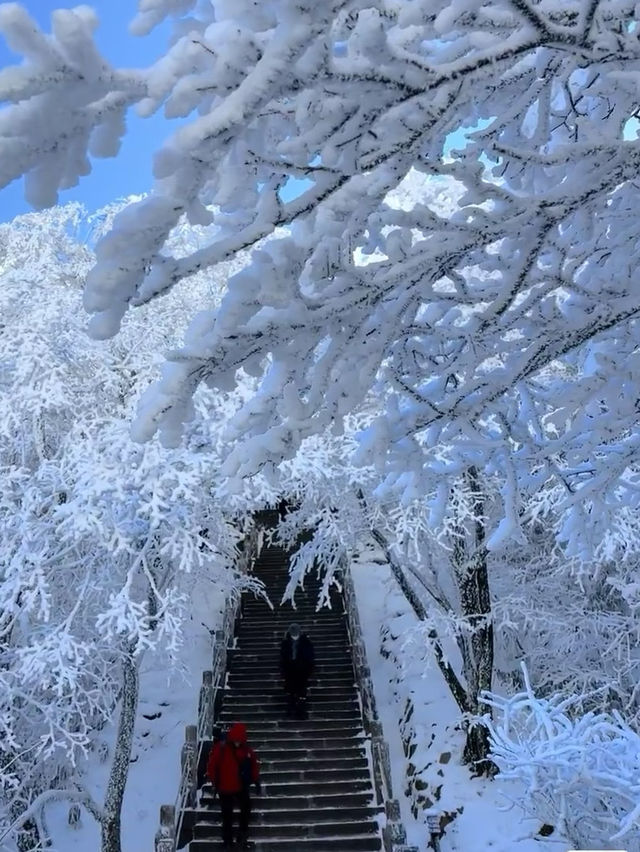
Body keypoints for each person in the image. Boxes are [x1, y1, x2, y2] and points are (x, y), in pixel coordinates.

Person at [206, 722, 261, 850]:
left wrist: (255, 779)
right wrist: (215, 782)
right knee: (227, 814)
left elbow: (253, 765)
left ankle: (240, 834)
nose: (237, 742)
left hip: (238, 786)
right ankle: (228, 839)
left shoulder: (243, 749)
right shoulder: (223, 748)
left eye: (239, 740)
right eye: (236, 740)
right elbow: (212, 766)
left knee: (242, 809)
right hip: (225, 788)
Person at [280, 623, 315, 718]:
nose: (294, 636)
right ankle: (291, 711)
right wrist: (284, 670)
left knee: (301, 693)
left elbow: (310, 656)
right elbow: (283, 657)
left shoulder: (305, 642)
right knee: (291, 692)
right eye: (292, 634)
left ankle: (301, 712)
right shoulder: (286, 642)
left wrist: (308, 668)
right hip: (290, 670)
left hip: (302, 670)